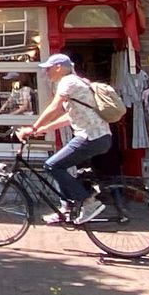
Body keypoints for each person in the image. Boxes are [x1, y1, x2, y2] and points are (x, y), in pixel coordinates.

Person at [17, 54, 113, 226]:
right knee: (59, 166)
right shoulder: (78, 82)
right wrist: (44, 128)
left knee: (51, 165)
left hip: (91, 136)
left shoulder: (68, 82)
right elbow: (70, 117)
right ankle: (66, 208)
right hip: (97, 136)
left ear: (58, 67)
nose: (46, 72)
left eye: (48, 68)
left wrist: (32, 128)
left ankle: (88, 203)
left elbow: (54, 107)